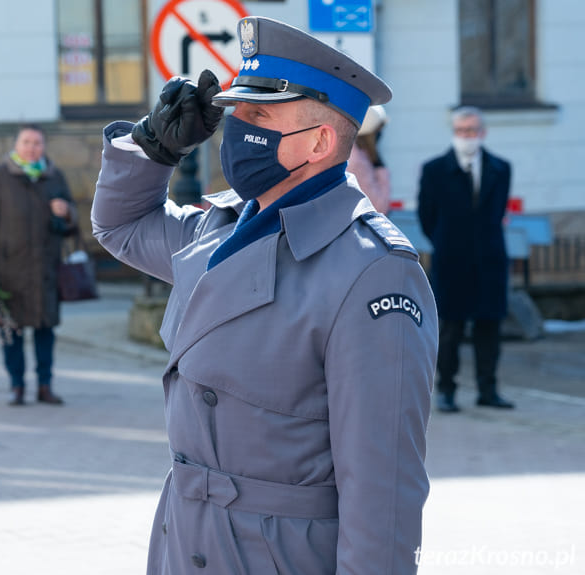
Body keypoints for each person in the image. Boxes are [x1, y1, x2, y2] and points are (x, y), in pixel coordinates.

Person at [92, 17, 437, 575]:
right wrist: (153, 147)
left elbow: (383, 492)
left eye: (258, 116)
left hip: (278, 557)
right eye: (237, 113)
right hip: (188, 543)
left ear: (321, 141)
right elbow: (121, 227)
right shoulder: (221, 227)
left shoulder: (372, 271)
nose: (236, 128)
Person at [0, 124, 77, 406]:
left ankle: (44, 386)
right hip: (9, 270)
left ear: (44, 147)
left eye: (37, 143)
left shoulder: (54, 177)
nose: (31, 148)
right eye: (26, 142)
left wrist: (66, 213)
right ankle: (16, 385)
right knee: (11, 331)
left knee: (45, 330)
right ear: (16, 145)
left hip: (45, 270)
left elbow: (73, 223)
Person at [418, 106, 515, 412]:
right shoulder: (434, 169)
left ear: (482, 133)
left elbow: (498, 212)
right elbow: (427, 216)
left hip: (490, 258)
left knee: (489, 327)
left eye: (472, 131)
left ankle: (489, 390)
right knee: (450, 329)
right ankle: (446, 390)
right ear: (453, 133)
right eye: (461, 131)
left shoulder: (501, 167)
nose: (467, 137)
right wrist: (446, 242)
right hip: (452, 259)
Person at [347, 104, 391, 213]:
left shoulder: (350, 153)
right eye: (378, 131)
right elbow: (379, 207)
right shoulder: (359, 161)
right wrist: (380, 168)